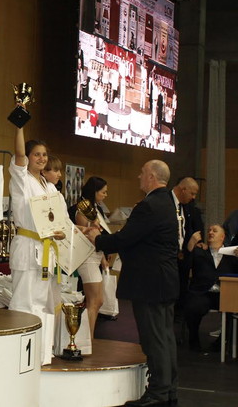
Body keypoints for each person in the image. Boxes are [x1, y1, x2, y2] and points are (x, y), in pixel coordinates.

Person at [86, 160, 179, 406]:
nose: (139, 176)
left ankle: (158, 393)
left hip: (150, 282)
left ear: (151, 176)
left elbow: (126, 239)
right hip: (164, 280)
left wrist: (98, 238)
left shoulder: (149, 205)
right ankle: (168, 391)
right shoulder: (168, 202)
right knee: (165, 337)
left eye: (142, 173)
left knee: (154, 339)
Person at [8, 125, 65, 366]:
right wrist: (19, 127)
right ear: (28, 158)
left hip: (46, 250)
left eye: (44, 155)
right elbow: (19, 154)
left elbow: (58, 219)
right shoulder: (21, 179)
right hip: (27, 245)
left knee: (43, 303)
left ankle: (41, 355)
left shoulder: (49, 186)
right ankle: (18, 357)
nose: (41, 159)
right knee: (24, 302)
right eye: (36, 155)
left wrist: (60, 232)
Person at [69, 176, 113, 339]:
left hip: (96, 256)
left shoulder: (97, 209)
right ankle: (87, 339)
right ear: (94, 192)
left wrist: (103, 258)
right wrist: (94, 227)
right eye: (103, 192)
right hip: (87, 257)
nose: (105, 195)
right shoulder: (82, 208)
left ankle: (87, 337)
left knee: (98, 301)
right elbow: (87, 234)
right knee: (93, 301)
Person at [184, 224, 238, 351]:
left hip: (224, 294)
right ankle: (193, 340)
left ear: (222, 237)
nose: (210, 233)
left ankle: (222, 342)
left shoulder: (231, 255)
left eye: (215, 231)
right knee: (193, 307)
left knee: (233, 308)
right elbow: (185, 267)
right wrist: (190, 247)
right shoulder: (199, 251)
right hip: (202, 292)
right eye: (209, 231)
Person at [171, 177, 203, 316]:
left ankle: (179, 314)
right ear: (183, 189)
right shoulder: (167, 204)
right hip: (169, 256)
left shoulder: (188, 208)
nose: (194, 197)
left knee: (182, 286)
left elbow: (189, 228)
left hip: (184, 253)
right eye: (192, 193)